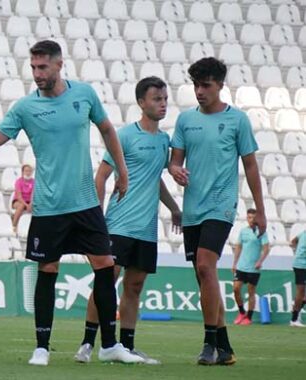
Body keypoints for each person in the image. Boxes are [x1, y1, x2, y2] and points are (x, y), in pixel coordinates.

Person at [0, 40, 144, 366]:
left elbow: (108, 129)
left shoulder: (84, 94)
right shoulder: (25, 107)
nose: (37, 73)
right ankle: (42, 346)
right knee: (47, 270)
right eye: (33, 68)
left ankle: (109, 345)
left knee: (105, 267)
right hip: (48, 206)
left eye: (42, 67)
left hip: (84, 203)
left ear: (58, 64)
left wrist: (122, 172)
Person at [75, 76, 182, 365]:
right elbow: (101, 175)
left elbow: (154, 178)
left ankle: (128, 346)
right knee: (106, 281)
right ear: (141, 103)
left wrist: (173, 207)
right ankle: (87, 343)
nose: (162, 104)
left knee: (134, 287)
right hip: (118, 224)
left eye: (164, 99)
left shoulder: (164, 141)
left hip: (146, 229)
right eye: (156, 99)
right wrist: (95, 215)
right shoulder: (123, 136)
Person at [168, 57, 266, 365]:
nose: (200, 91)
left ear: (220, 86)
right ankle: (224, 347)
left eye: (206, 85)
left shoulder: (238, 120)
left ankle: (209, 343)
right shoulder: (185, 120)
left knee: (205, 267)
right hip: (193, 208)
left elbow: (250, 166)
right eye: (196, 85)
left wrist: (260, 210)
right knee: (204, 277)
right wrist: (175, 171)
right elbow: (175, 161)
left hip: (221, 205)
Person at [232, 208, 270, 325]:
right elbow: (238, 247)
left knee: (251, 292)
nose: (251, 220)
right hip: (241, 266)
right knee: (236, 288)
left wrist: (260, 261)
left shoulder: (261, 232)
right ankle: (242, 312)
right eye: (249, 217)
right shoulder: (243, 231)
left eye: (253, 218)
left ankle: (248, 317)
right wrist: (234, 263)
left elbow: (266, 248)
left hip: (254, 268)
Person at [289, 231, 306, 327]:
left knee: (302, 295)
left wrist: (297, 250)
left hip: (300, 264)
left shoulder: (303, 233)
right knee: (300, 292)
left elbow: (293, 241)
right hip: (301, 265)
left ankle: (296, 309)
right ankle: (294, 319)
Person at [12, 164, 34, 232]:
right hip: (19, 201)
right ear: (22, 172)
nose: (28, 173)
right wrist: (26, 205)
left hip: (29, 201)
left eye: (29, 171)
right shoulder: (19, 181)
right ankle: (14, 225)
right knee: (21, 206)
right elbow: (19, 196)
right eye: (26, 171)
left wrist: (30, 204)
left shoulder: (34, 181)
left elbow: (33, 194)